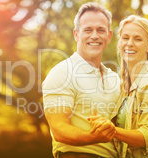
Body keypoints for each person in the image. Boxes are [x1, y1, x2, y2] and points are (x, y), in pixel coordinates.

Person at [89, 15, 148, 158]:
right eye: (125, 38)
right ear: (119, 42)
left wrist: (113, 130)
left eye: (138, 39)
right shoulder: (122, 85)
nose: (130, 43)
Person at [42, 2, 119, 158]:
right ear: (76, 34)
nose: (95, 35)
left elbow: (123, 124)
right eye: (88, 30)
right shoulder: (62, 72)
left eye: (101, 30)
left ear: (109, 36)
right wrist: (93, 137)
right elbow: (59, 129)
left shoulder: (115, 78)